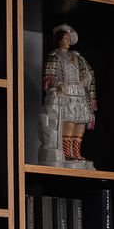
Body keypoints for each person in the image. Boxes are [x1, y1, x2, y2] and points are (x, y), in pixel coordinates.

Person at [42, 23, 97, 167]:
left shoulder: (78, 57)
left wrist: (84, 81)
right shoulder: (54, 56)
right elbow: (50, 76)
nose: (65, 40)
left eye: (67, 38)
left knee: (80, 123)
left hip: (80, 93)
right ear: (58, 40)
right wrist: (58, 84)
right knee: (70, 122)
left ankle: (76, 152)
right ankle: (67, 152)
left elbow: (88, 73)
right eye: (63, 38)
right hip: (66, 93)